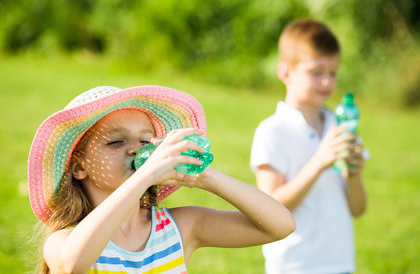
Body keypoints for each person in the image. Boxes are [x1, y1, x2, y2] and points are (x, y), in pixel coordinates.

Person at [28, 85, 296, 274]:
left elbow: (280, 225)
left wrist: (207, 177)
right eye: (116, 142)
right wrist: (143, 176)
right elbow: (72, 265)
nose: (135, 149)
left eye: (145, 141)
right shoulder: (64, 241)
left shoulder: (179, 228)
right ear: (78, 168)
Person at [250, 19, 367, 274]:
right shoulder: (272, 131)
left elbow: (358, 209)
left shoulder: (339, 126)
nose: (327, 82)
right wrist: (319, 161)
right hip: (294, 265)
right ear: (286, 73)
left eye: (333, 73)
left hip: (339, 263)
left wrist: (354, 175)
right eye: (316, 72)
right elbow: (271, 210)